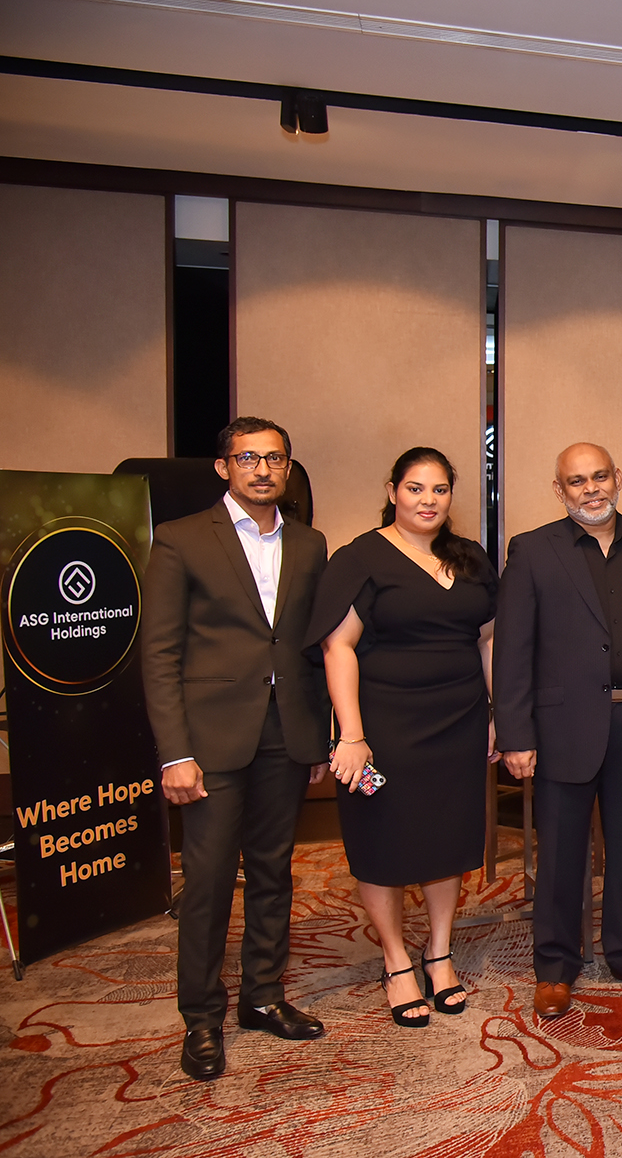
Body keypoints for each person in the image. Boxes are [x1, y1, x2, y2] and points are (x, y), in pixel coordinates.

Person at [141, 416, 331, 1082]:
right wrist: (174, 753)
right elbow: (159, 653)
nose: (262, 469)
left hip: (286, 733)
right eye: (248, 458)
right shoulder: (182, 539)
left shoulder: (309, 543)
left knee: (274, 871)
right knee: (211, 880)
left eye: (274, 458)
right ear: (224, 467)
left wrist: (317, 734)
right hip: (211, 740)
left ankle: (262, 996)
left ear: (288, 468)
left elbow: (310, 647)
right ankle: (200, 1017)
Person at [493, 443, 622, 1019]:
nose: (590, 489)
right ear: (559, 490)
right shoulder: (532, 550)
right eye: (576, 481)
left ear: (617, 478)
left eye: (599, 476)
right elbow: (513, 650)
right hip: (561, 725)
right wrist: (515, 734)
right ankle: (555, 966)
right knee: (561, 850)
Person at [307, 448, 497, 1027]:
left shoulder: (470, 557)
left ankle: (439, 953)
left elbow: (487, 639)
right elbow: (338, 647)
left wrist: (497, 712)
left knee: (447, 840)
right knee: (382, 843)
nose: (428, 500)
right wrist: (351, 734)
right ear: (393, 491)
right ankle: (395, 961)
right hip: (384, 727)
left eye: (439, 489)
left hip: (460, 721)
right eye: (415, 488)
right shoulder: (360, 558)